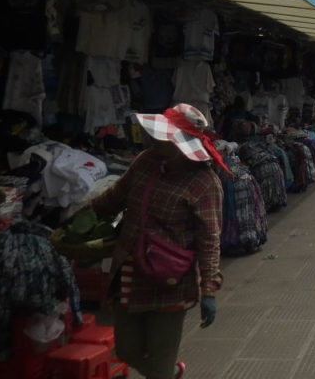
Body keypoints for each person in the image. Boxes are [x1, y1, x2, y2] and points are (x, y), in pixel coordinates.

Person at [90, 104, 226, 379]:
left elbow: (209, 239)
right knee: (126, 350)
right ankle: (172, 372)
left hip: (170, 281)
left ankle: (166, 372)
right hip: (129, 270)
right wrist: (80, 222)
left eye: (165, 136)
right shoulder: (145, 161)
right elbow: (114, 198)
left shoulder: (204, 182)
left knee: (159, 362)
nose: (156, 139)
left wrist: (209, 289)